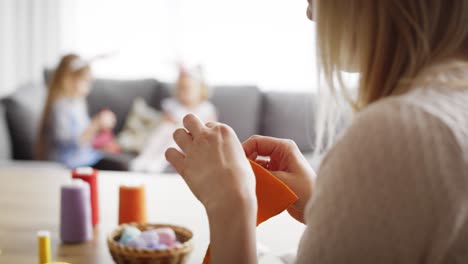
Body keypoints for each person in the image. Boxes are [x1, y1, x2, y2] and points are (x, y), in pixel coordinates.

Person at [164, 0, 468, 263]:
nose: (310, 13)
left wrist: (230, 202)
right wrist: (321, 205)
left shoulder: (403, 130)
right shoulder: (450, 108)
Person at [36, 54, 124, 170]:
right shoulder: (61, 106)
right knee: (117, 166)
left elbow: (85, 140)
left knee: (118, 164)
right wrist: (95, 125)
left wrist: (101, 143)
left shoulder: (78, 103)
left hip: (85, 158)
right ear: (67, 79)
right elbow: (66, 142)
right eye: (85, 81)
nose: (89, 87)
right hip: (69, 164)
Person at [130, 65, 217, 173]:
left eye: (188, 88)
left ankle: (158, 162)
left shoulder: (206, 108)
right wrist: (168, 121)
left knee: (178, 134)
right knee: (163, 129)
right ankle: (144, 158)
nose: (185, 92)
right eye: (181, 88)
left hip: (188, 139)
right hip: (166, 132)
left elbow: (211, 127)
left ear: (200, 90)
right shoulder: (172, 105)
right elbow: (163, 120)